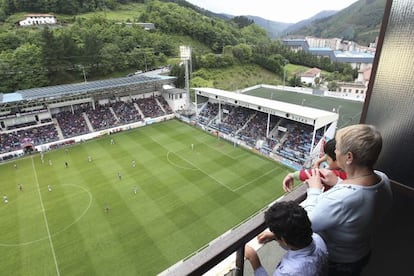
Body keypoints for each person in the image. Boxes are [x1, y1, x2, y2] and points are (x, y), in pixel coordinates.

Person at [268, 124, 392, 275]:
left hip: (340, 263)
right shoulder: (383, 179)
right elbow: (360, 201)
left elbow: (306, 224)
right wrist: (338, 182)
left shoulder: (342, 198)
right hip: (362, 252)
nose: (334, 151)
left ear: (349, 157)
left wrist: (313, 189)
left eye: (337, 148)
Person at [245, 201, 328, 276]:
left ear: (283, 240)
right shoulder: (318, 239)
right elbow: (297, 241)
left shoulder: (287, 272)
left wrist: (254, 259)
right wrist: (276, 236)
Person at [282, 139, 347, 193]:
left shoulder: (336, 174)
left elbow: (311, 173)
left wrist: (291, 175)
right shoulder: (352, 170)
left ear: (339, 160)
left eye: (328, 159)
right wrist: (319, 161)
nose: (327, 161)